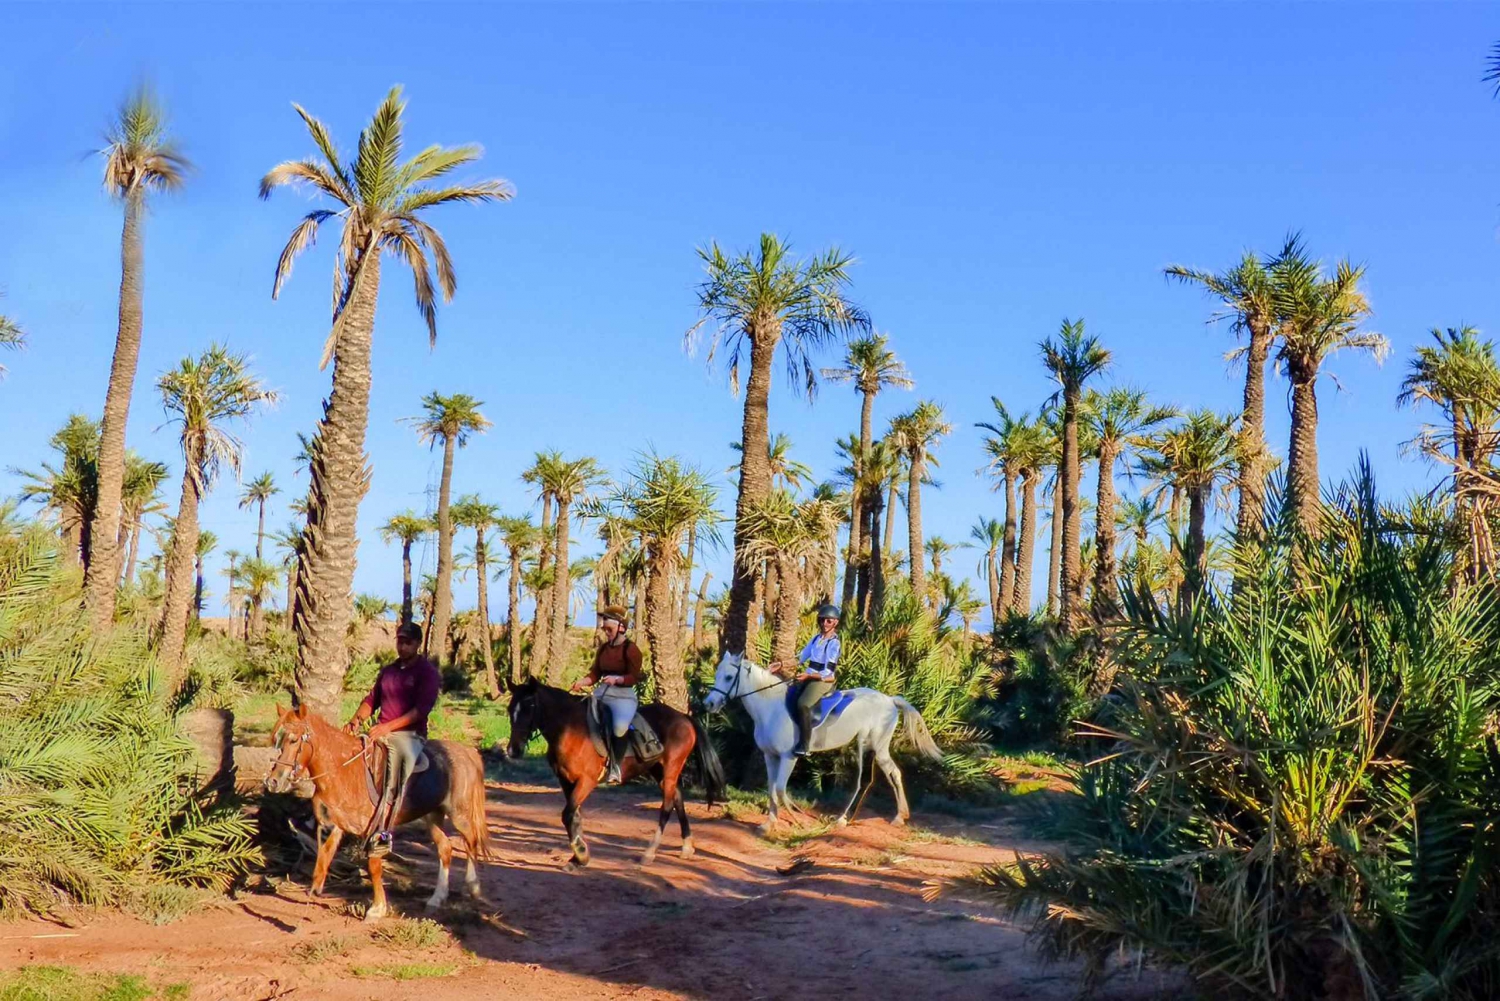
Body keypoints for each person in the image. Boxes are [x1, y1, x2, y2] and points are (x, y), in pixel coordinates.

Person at [346, 621, 441, 855]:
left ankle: (384, 834)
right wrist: (355, 720)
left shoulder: (427, 673)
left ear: (418, 644)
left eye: (408, 642)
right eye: (400, 641)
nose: (402, 646)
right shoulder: (388, 671)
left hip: (409, 736)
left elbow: (420, 710)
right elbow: (371, 700)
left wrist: (387, 728)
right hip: (381, 731)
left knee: (394, 778)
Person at [572, 605, 644, 783]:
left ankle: (616, 768)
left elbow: (634, 677)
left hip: (624, 696)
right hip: (602, 692)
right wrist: (582, 682)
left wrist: (618, 680)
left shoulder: (632, 650)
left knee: (619, 727)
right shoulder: (603, 649)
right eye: (604, 629)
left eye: (609, 629)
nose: (606, 632)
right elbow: (595, 674)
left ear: (621, 627)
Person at [770, 604, 841, 756]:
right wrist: (781, 664)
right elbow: (800, 658)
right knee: (788, 696)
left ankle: (805, 745)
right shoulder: (816, 639)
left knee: (803, 704)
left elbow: (828, 672)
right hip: (808, 676)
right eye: (822, 620)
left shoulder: (834, 643)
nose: (824, 624)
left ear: (835, 622)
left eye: (828, 621)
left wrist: (808, 676)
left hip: (823, 680)